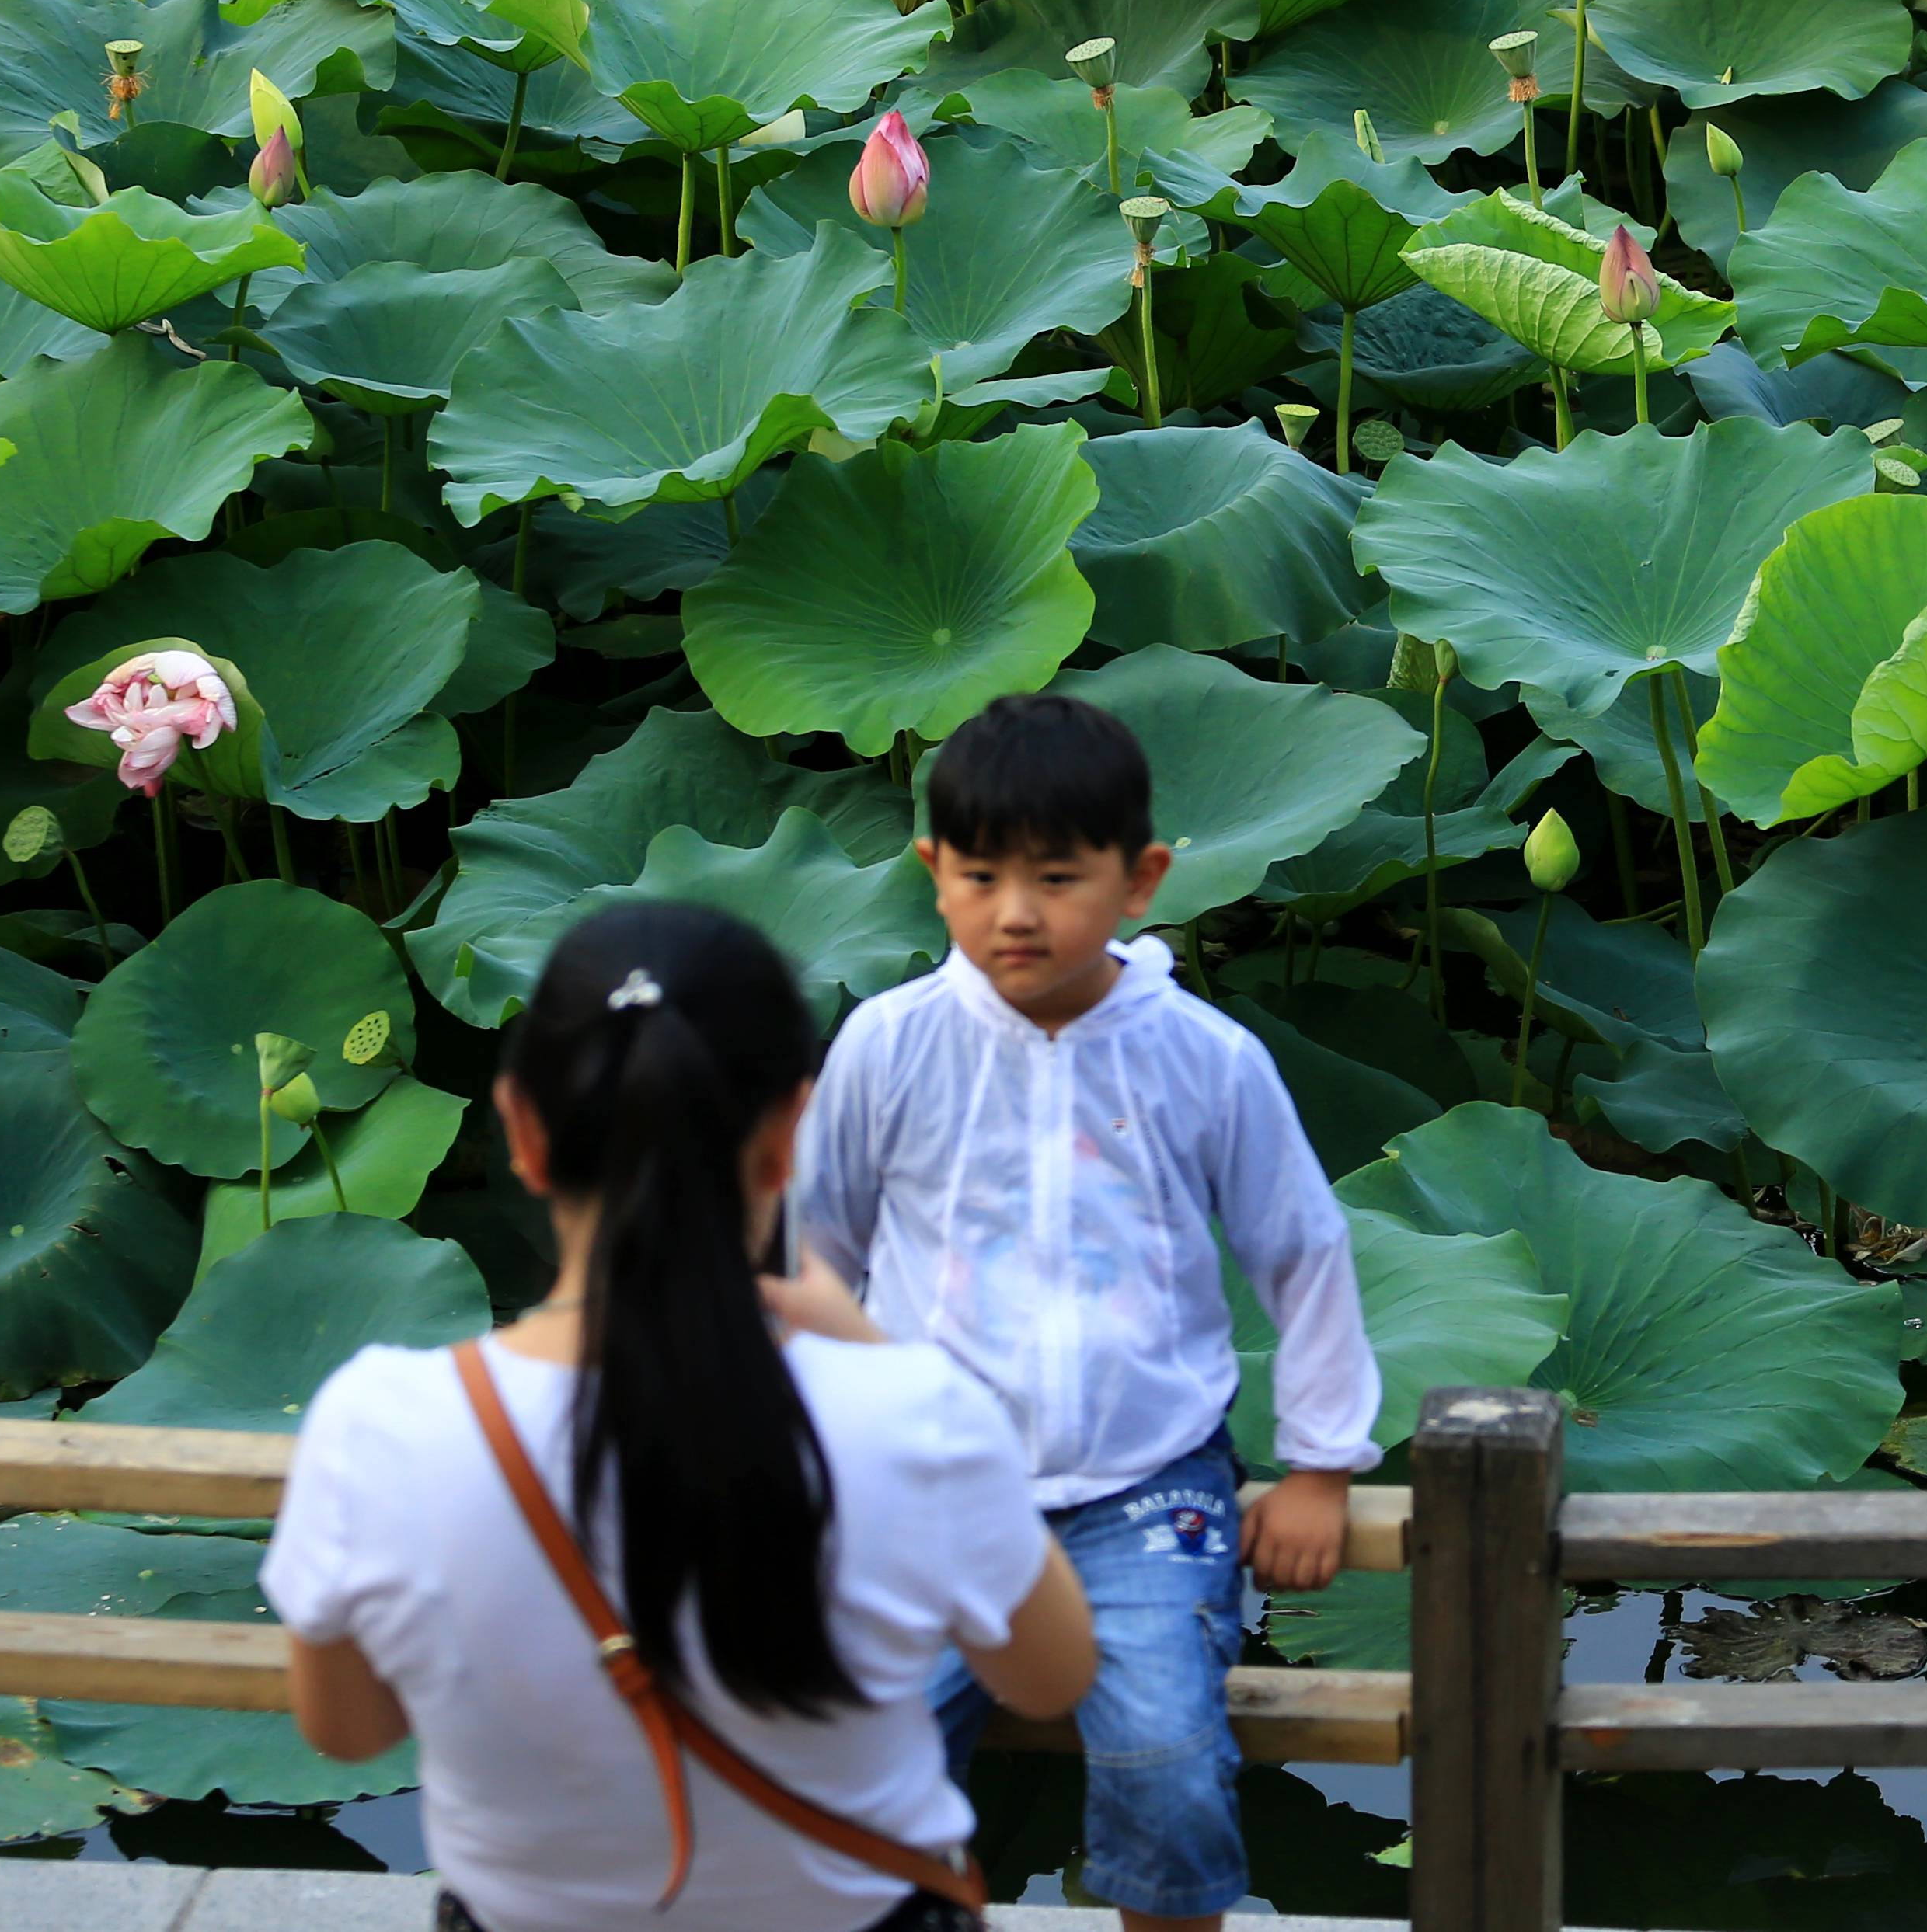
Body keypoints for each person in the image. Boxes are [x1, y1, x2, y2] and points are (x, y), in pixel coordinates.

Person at [266, 900, 1096, 1932]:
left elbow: (345, 1729)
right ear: (790, 1131)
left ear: (522, 1129)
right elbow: (1052, 1675)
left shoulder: (377, 1423)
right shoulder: (913, 1416)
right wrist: (876, 1352)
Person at [796, 692, 1382, 1932]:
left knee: (1168, 1757)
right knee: (858, 1770)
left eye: (1058, 876)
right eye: (981, 874)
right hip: (927, 1489)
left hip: (1147, 1485)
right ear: (931, 875)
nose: (1017, 911)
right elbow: (817, 1254)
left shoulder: (1204, 1056)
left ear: (1141, 877)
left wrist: (1323, 1462)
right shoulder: (884, 1045)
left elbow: (1302, 1250)